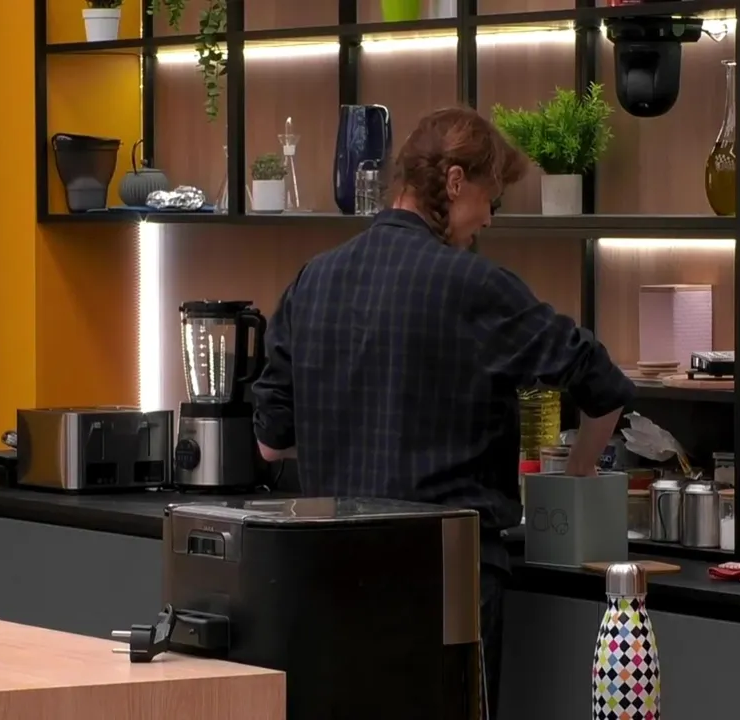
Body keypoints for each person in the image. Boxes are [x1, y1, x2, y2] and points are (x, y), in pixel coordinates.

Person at [250, 106, 635, 719]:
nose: (489, 219)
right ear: (455, 182)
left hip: (330, 577)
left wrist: (346, 430)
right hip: (444, 580)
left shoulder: (313, 280)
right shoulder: (475, 286)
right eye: (491, 199)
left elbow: (272, 441)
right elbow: (603, 383)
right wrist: (579, 475)